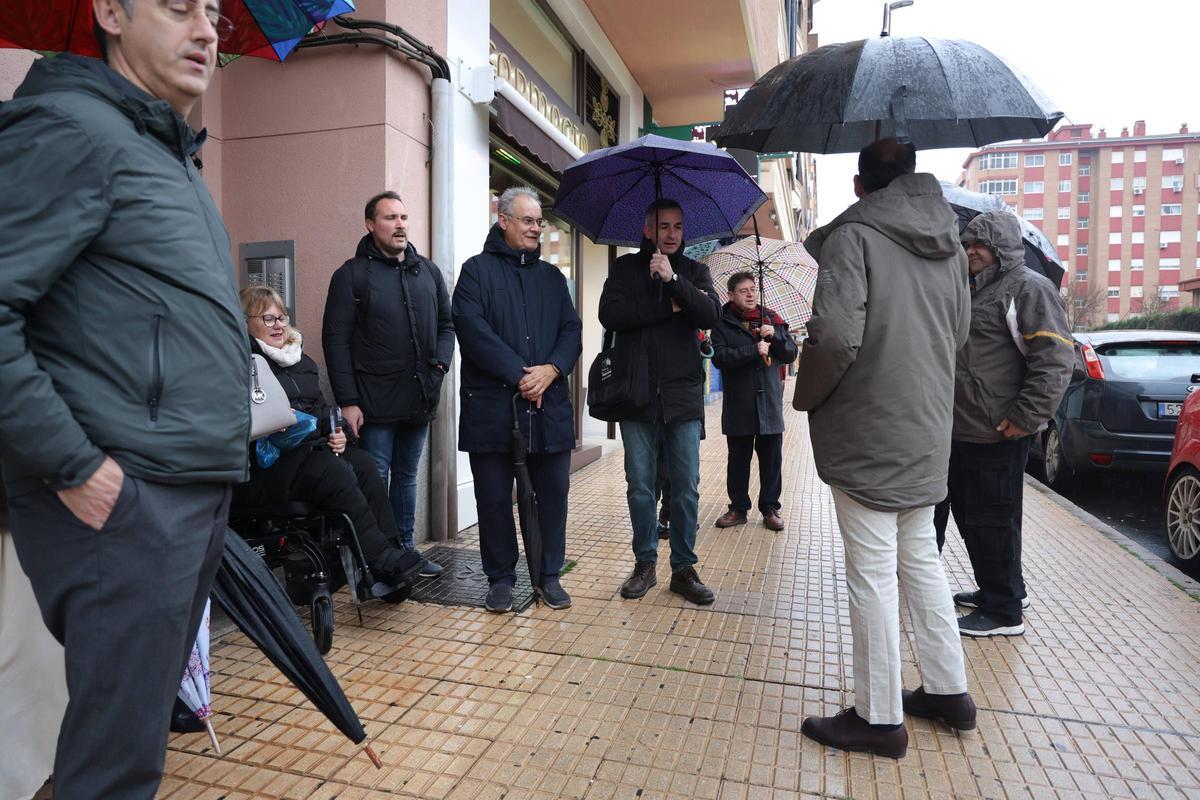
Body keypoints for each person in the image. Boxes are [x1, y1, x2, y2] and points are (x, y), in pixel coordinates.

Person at [0, 2, 251, 796]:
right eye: (180, 7)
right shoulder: (72, 130)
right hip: (125, 504)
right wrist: (76, 468)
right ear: (109, 11)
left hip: (183, 495)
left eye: (213, 10)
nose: (208, 30)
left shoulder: (162, 150)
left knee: (129, 749)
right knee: (112, 770)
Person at [792, 139, 975, 759]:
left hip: (869, 427)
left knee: (871, 573)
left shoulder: (856, 235)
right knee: (920, 558)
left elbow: (837, 337)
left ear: (859, 183)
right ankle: (950, 691)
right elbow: (960, 333)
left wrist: (806, 392)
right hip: (926, 426)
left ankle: (877, 718)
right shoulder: (949, 242)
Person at [934, 211, 1073, 637]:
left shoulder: (1029, 287)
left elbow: (1055, 360)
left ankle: (1002, 611)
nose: (970, 251)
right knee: (987, 515)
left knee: (990, 518)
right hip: (969, 428)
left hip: (997, 431)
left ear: (1002, 249)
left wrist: (1025, 417)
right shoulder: (978, 289)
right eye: (968, 243)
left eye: (980, 245)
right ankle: (1003, 588)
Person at [233, 286, 422, 586]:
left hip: (306, 455)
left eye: (281, 317)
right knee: (331, 471)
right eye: (268, 319)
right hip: (263, 467)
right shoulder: (241, 365)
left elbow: (324, 410)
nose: (279, 325)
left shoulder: (300, 361)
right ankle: (378, 558)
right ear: (244, 322)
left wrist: (339, 431)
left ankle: (392, 551)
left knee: (362, 461)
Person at [453, 187, 582, 613]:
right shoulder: (475, 272)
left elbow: (572, 331)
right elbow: (472, 332)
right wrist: (520, 375)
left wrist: (553, 370)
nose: (535, 228)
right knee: (492, 500)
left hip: (549, 407)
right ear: (503, 220)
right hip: (493, 409)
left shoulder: (552, 279)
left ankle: (548, 575)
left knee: (553, 496)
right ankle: (501, 579)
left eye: (539, 222)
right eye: (527, 220)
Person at [323, 191, 455, 578]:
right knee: (374, 478)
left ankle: (406, 550)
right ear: (370, 225)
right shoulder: (351, 275)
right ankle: (375, 558)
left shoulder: (427, 272)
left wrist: (439, 366)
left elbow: (447, 325)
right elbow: (336, 340)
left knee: (407, 476)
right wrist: (348, 401)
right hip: (373, 403)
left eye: (404, 217)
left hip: (419, 395)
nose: (400, 225)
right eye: (390, 218)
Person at [598, 199, 721, 605]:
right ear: (648, 229)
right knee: (640, 485)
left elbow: (709, 315)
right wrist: (666, 306)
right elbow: (610, 314)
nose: (672, 234)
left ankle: (683, 568)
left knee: (685, 487)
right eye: (664, 226)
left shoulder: (694, 271)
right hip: (635, 394)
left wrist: (673, 283)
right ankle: (645, 563)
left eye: (678, 227)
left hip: (682, 395)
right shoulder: (624, 269)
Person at [712, 271, 797, 531]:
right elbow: (720, 358)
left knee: (771, 460)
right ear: (730, 295)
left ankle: (770, 508)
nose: (749, 294)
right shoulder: (723, 323)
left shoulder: (771, 319)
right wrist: (753, 350)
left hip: (769, 403)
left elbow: (791, 354)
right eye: (743, 290)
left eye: (752, 289)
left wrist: (776, 337)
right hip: (740, 404)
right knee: (738, 459)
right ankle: (738, 508)